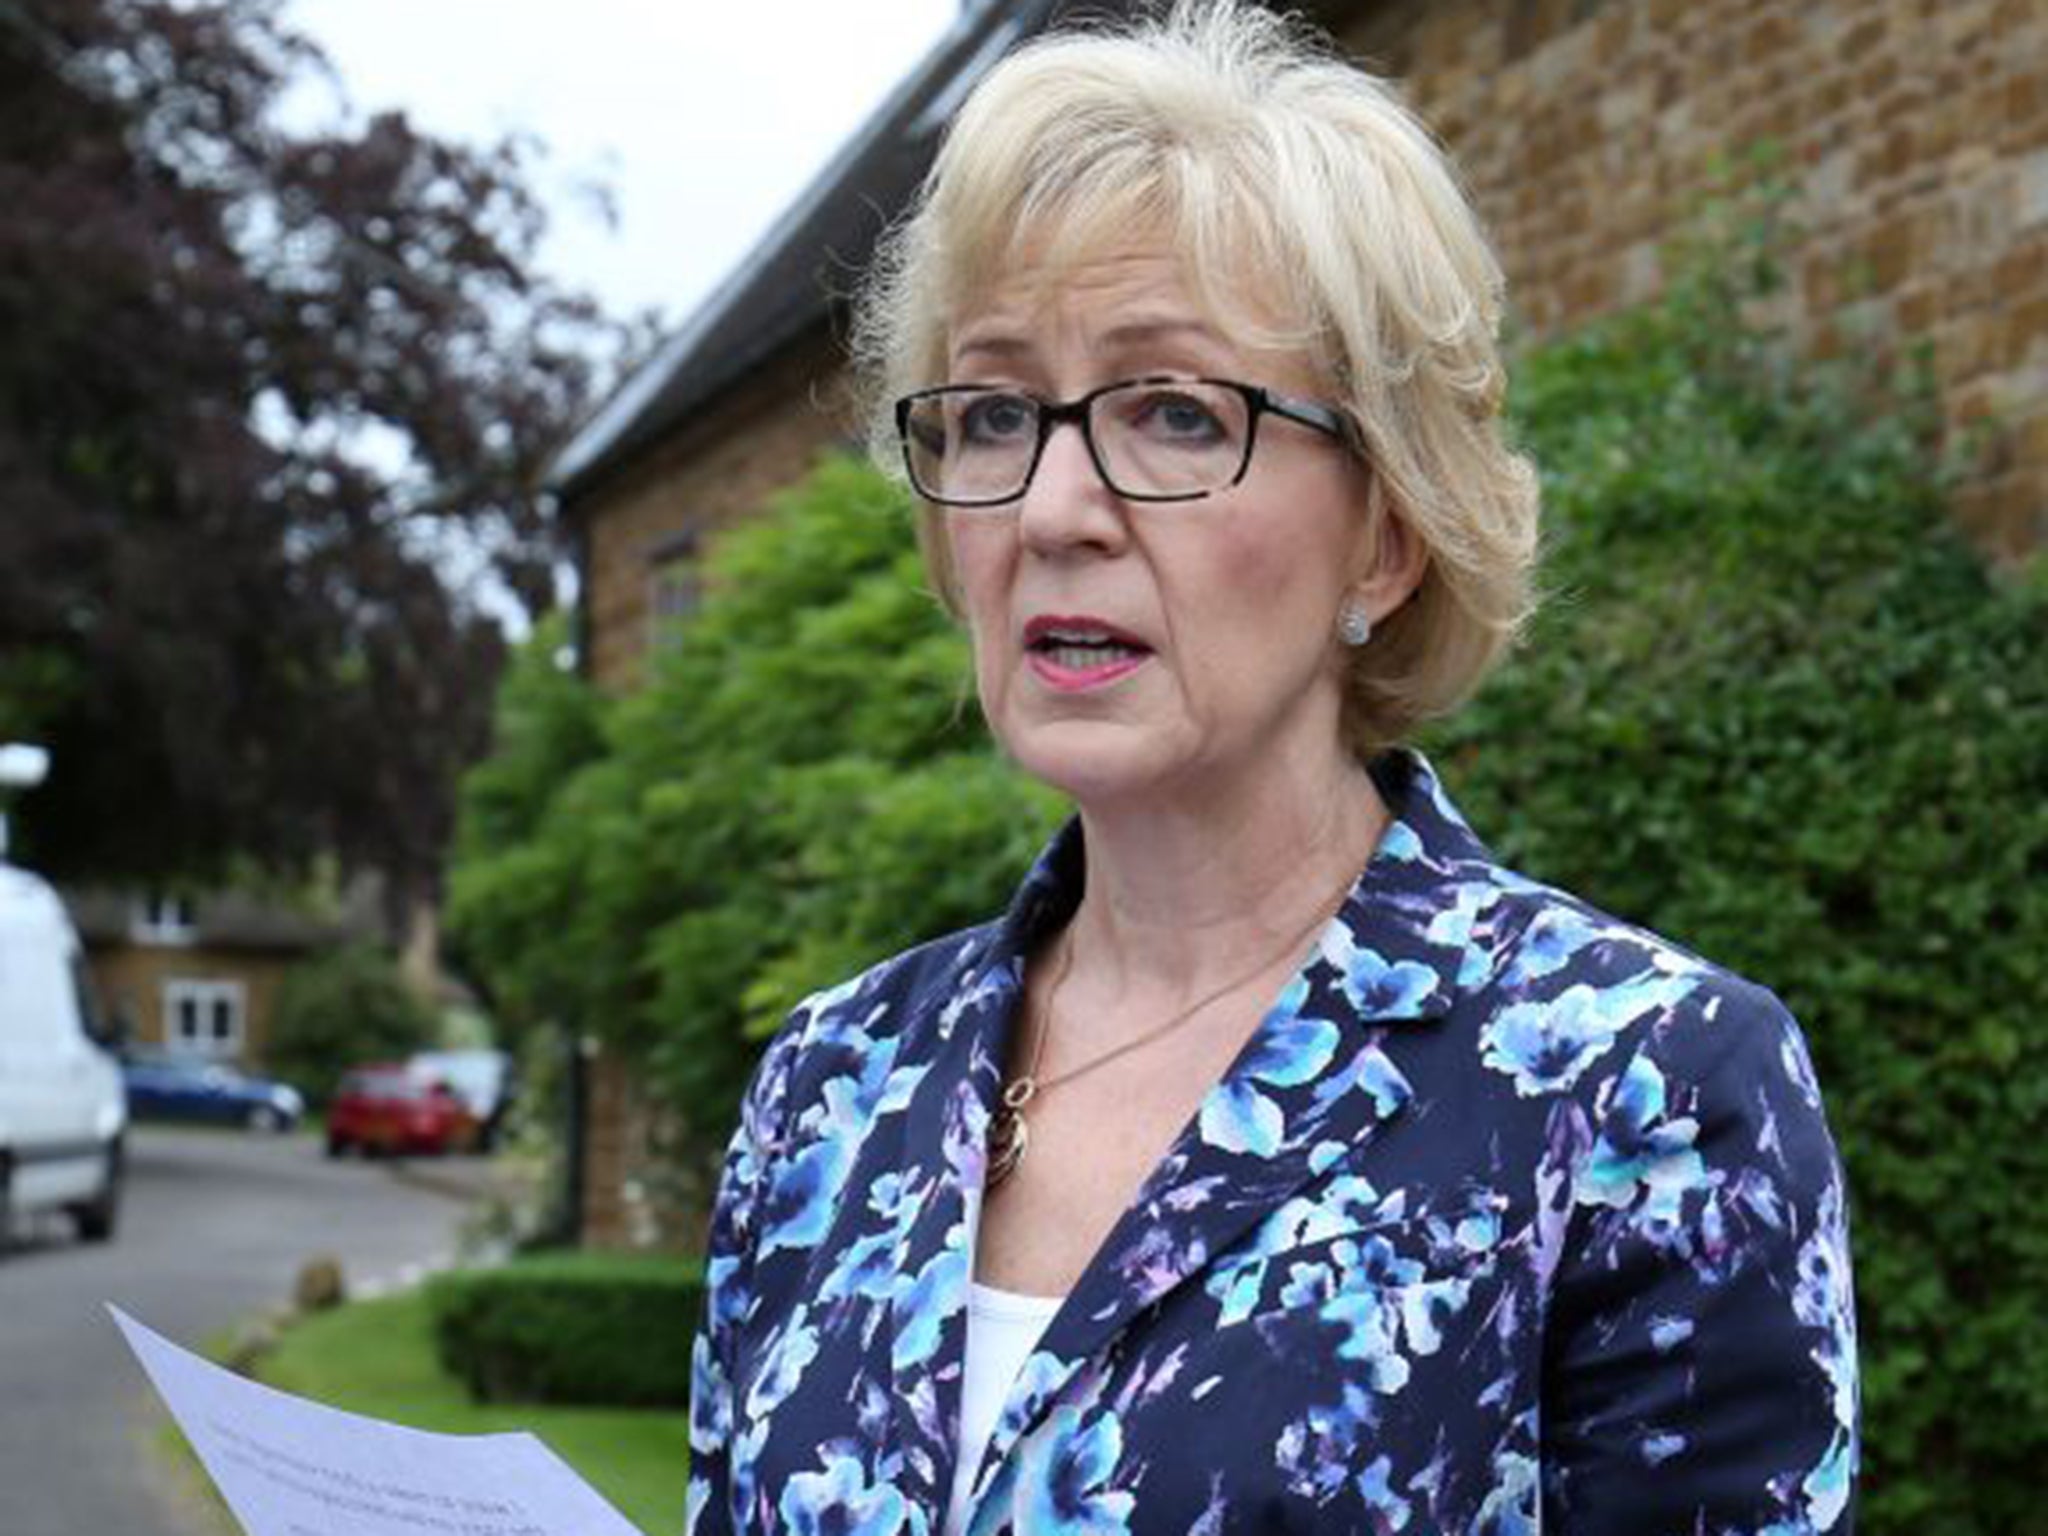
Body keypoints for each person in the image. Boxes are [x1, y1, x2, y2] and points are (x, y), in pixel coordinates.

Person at [685, 4, 1858, 1533]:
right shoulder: (829, 1086)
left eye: (1173, 411)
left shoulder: (1640, 1091)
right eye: (991, 414)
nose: (1053, 510)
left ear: (1386, 532)